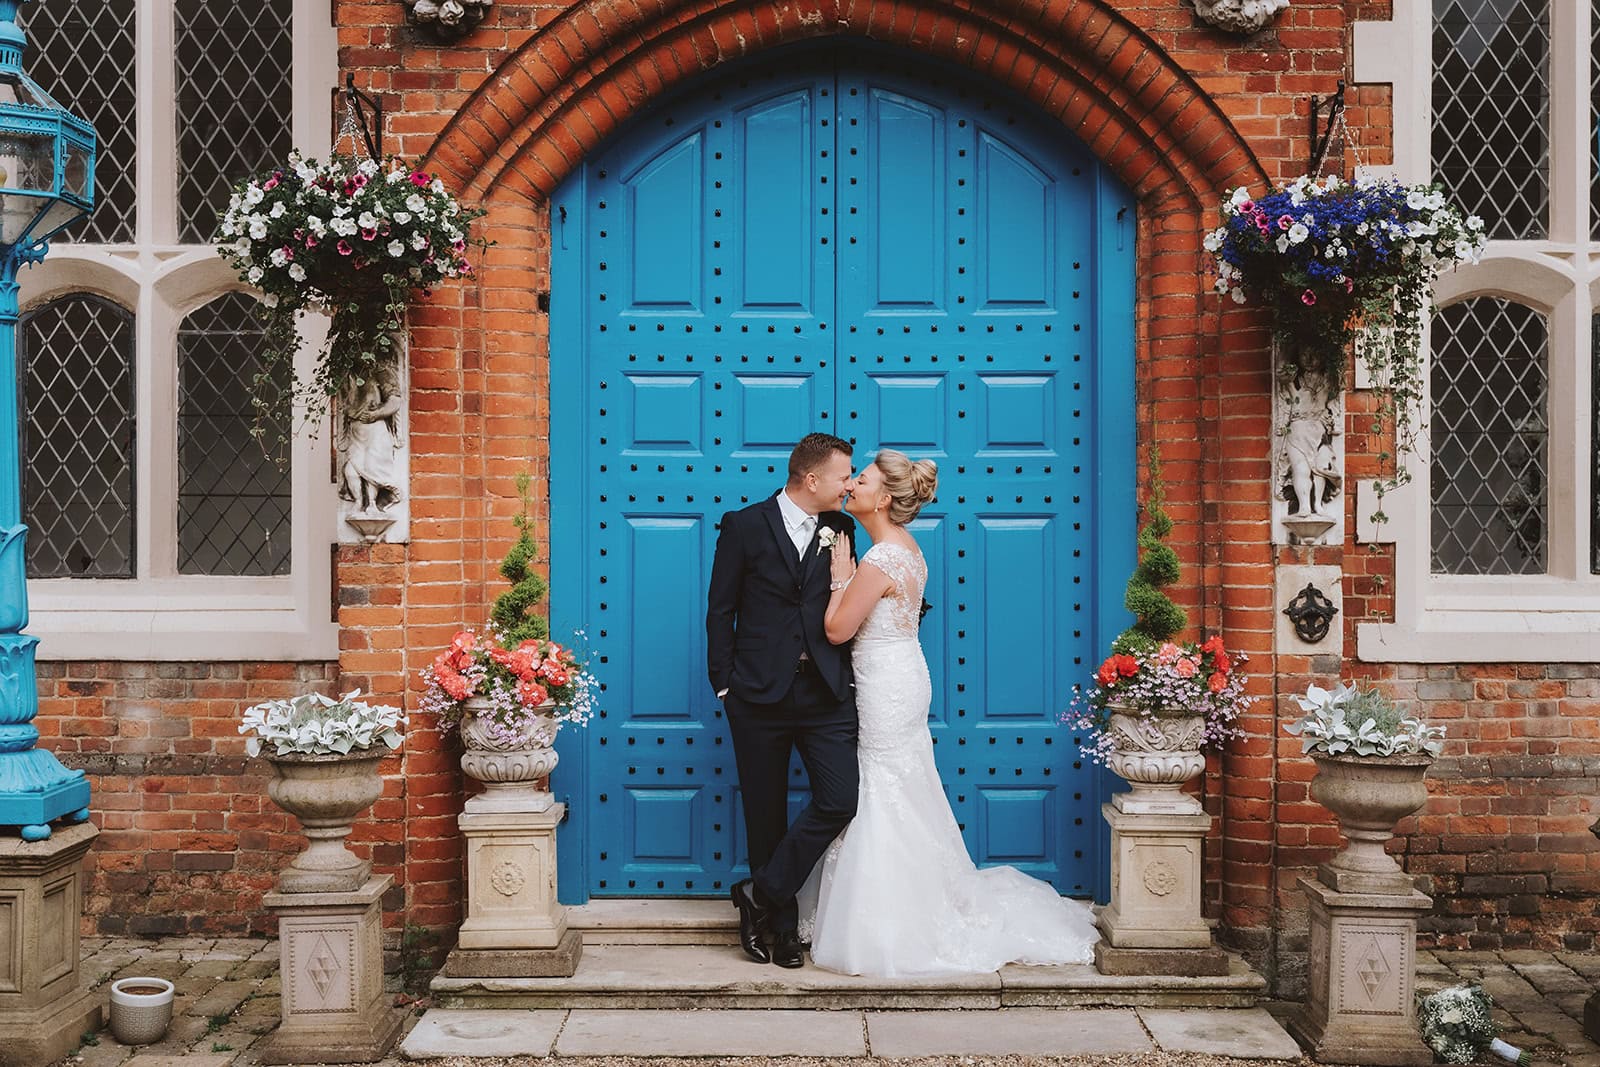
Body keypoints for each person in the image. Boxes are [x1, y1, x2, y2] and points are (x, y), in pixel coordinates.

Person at [799, 448, 1099, 977]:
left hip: (886, 683)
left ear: (884, 497)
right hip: (900, 675)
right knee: (897, 785)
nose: (850, 487)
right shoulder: (907, 550)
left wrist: (839, 579)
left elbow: (837, 630)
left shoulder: (878, 559)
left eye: (860, 480)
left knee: (883, 787)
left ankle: (889, 922)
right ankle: (903, 903)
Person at [707, 432, 860, 969]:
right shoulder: (744, 525)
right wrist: (724, 684)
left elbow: (844, 601)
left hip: (825, 691)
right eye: (845, 475)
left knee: (840, 799)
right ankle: (784, 931)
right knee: (765, 814)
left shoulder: (840, 529)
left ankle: (758, 895)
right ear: (812, 479)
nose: (850, 486)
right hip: (757, 694)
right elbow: (720, 608)